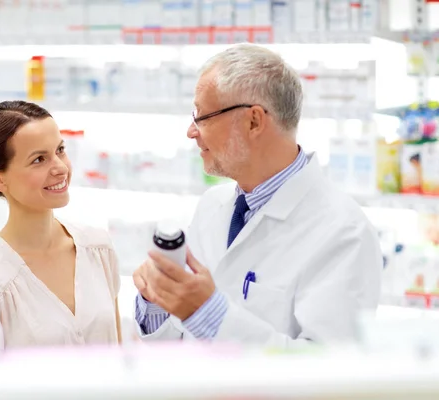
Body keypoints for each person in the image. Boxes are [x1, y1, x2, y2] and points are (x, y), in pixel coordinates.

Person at [133, 44, 382, 348]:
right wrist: (158, 300)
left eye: (202, 116)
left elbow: (327, 373)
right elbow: (178, 344)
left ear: (253, 121)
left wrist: (208, 314)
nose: (191, 131)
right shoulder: (213, 206)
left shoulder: (344, 232)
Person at [0, 100, 121, 349]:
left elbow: (118, 353)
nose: (61, 167)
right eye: (38, 160)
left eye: (60, 150)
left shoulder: (98, 248)